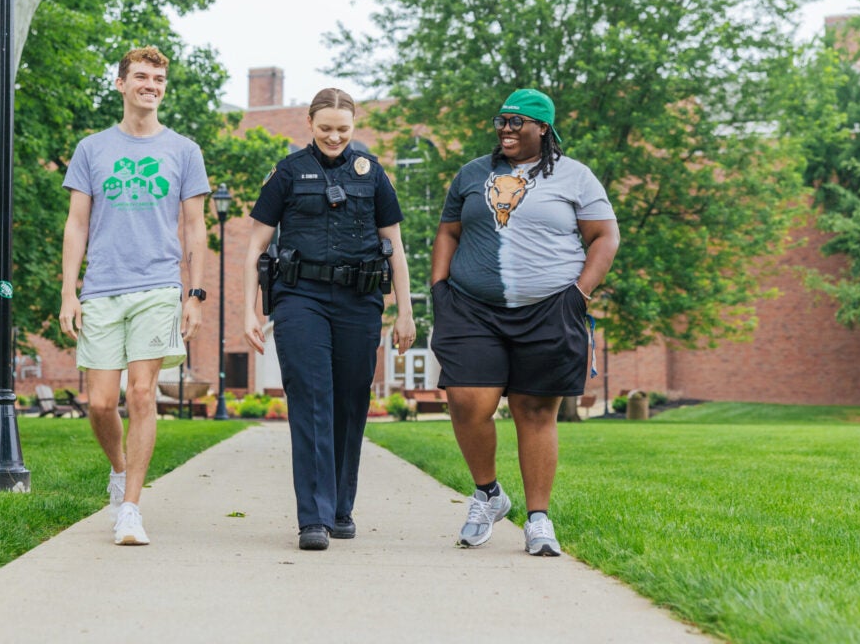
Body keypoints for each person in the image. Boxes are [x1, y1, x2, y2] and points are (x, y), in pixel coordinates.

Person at [430, 88, 619, 556]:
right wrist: (439, 287)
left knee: (534, 412)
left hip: (550, 308)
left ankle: (538, 520)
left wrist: (580, 294)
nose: (506, 129)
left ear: (543, 129)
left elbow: (604, 236)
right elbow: (449, 230)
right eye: (502, 121)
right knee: (467, 402)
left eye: (517, 122)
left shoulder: (575, 176)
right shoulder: (473, 173)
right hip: (473, 307)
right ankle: (488, 494)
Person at [242, 87, 415, 551]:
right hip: (301, 298)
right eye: (325, 129)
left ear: (353, 125)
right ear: (310, 124)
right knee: (311, 399)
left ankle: (340, 508)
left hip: (360, 302)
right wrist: (249, 309)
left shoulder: (373, 173)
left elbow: (395, 247)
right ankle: (313, 518)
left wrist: (405, 312)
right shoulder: (287, 172)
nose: (334, 136)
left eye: (342, 129)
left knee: (350, 401)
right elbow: (256, 246)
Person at [59, 46, 210, 546]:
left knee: (141, 394)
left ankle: (131, 508)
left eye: (159, 77)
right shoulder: (92, 149)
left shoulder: (184, 151)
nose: (152, 84)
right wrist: (68, 291)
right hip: (102, 286)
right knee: (100, 403)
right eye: (141, 76)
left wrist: (195, 294)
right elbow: (77, 223)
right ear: (121, 84)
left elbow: (194, 226)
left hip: (158, 286)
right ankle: (120, 471)